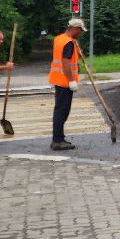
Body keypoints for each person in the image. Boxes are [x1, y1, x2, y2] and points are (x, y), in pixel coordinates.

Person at [48, 17, 85, 150]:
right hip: (64, 82)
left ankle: (59, 138)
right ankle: (57, 140)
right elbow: (65, 62)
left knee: (60, 110)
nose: (81, 33)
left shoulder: (59, 39)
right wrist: (71, 81)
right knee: (62, 111)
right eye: (80, 31)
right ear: (74, 29)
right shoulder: (68, 43)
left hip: (58, 80)